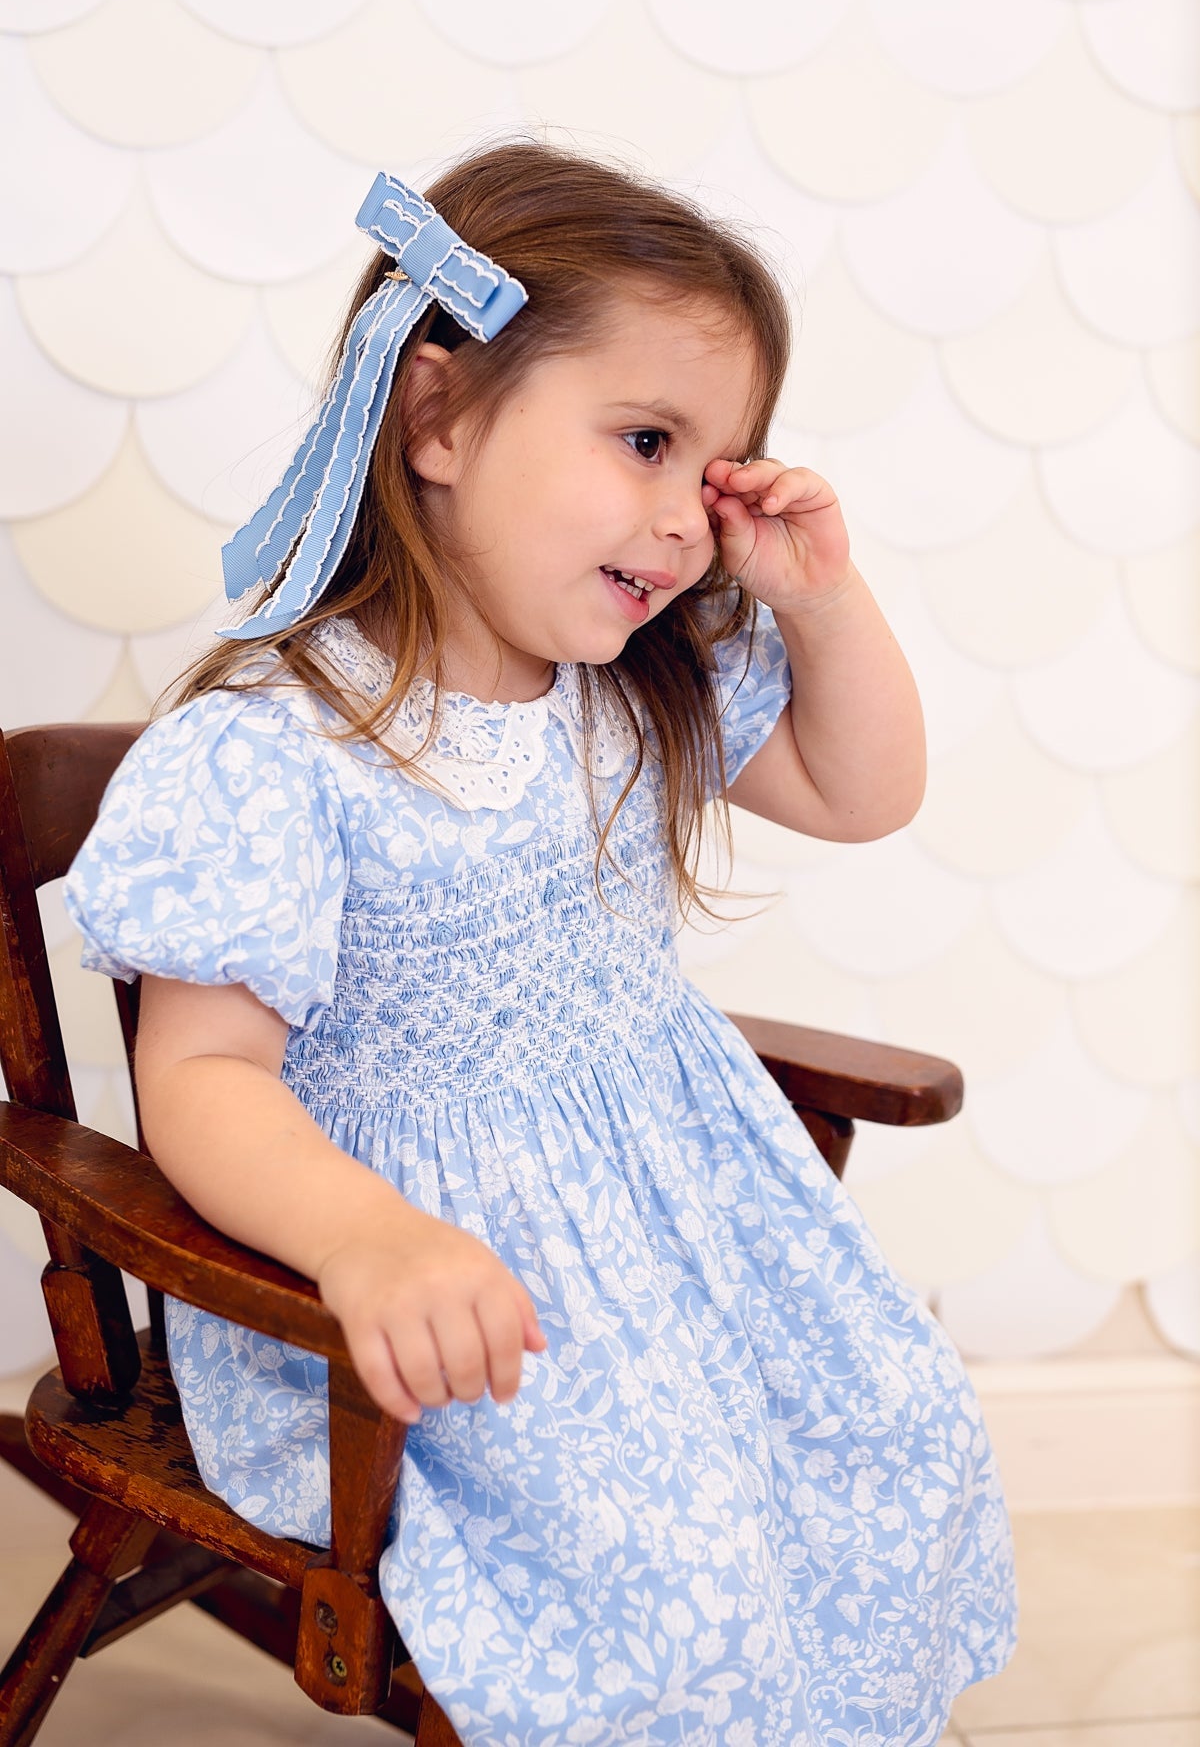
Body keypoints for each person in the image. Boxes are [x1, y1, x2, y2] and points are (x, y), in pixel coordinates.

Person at [64, 139, 1016, 1745]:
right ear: (438, 417)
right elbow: (205, 1073)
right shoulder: (274, 751)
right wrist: (369, 1240)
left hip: (689, 1238)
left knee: (901, 1434)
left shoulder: (634, 688)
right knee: (676, 1582)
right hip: (429, 1294)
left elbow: (866, 793)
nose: (687, 518)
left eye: (717, 469)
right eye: (647, 441)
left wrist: (821, 598)